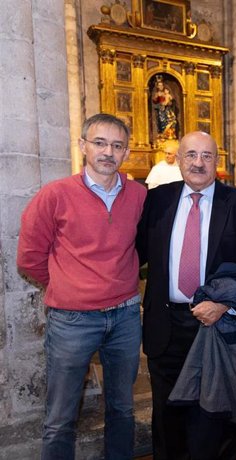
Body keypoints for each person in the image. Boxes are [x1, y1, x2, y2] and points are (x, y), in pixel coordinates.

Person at [16, 113, 146, 459]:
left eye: (117, 145)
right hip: (73, 320)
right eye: (100, 143)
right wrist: (69, 285)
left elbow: (144, 245)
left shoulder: (138, 195)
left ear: (126, 152)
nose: (108, 152)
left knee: (122, 409)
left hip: (125, 317)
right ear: (83, 146)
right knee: (60, 417)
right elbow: (29, 258)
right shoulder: (55, 195)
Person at [136, 131, 236, 459]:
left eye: (207, 156)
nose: (198, 162)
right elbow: (132, 254)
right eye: (191, 155)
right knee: (167, 419)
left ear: (216, 162)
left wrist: (223, 304)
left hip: (214, 327)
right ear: (178, 159)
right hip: (165, 326)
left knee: (212, 419)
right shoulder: (156, 200)